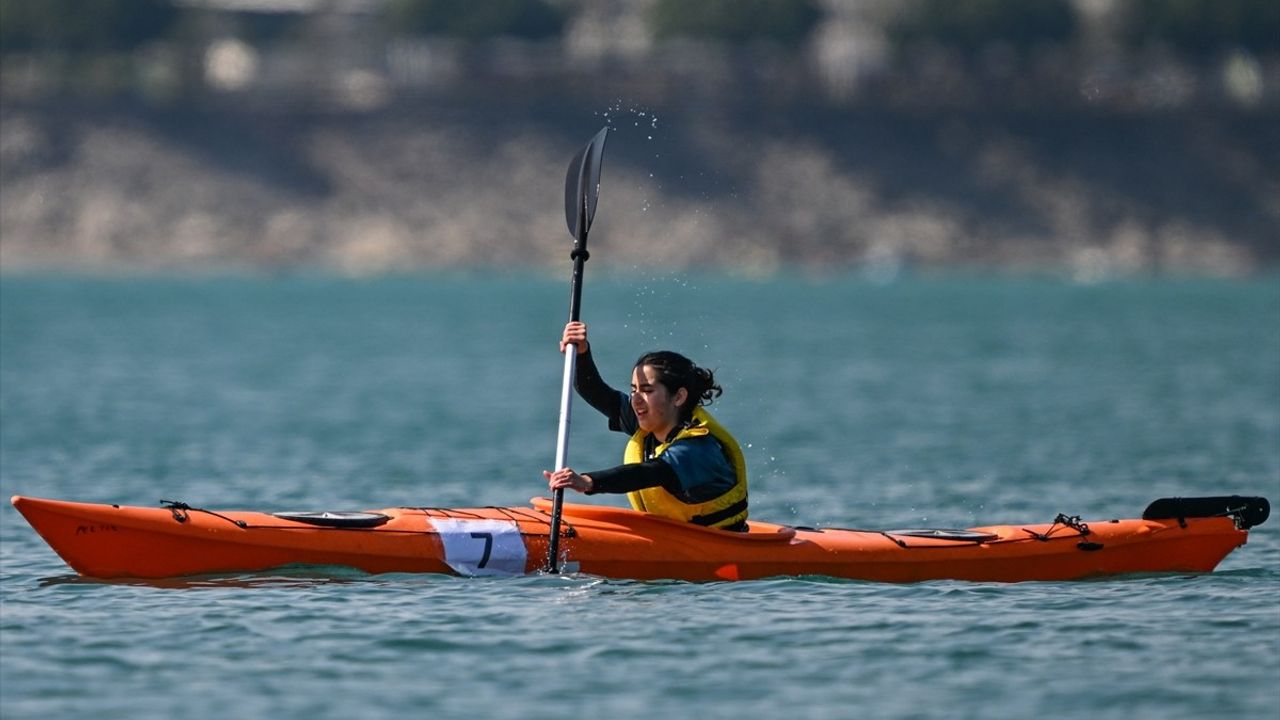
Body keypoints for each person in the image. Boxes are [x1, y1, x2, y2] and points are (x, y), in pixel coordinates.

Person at [543, 321, 749, 531]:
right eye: (634, 390)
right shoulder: (650, 423)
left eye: (648, 391)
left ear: (678, 397)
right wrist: (581, 353)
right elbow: (596, 392)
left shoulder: (697, 448)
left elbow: (648, 473)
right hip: (677, 539)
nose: (636, 400)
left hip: (720, 544)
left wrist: (588, 481)